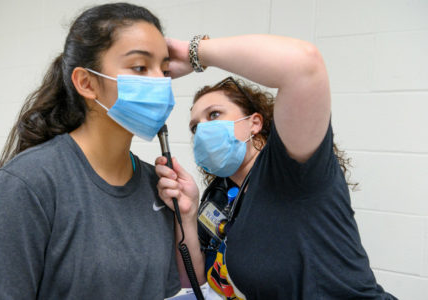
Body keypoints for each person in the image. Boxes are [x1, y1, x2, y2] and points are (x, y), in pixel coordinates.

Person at [0, 3, 182, 299]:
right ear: (86, 83)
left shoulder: (157, 185)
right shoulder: (26, 185)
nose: (160, 82)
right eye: (140, 67)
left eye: (165, 69)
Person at [155, 35, 397, 299]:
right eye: (195, 126)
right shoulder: (220, 195)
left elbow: (303, 66)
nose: (203, 130)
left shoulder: (290, 167)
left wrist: (195, 53)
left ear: (254, 123)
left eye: (214, 115)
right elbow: (195, 278)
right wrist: (188, 215)